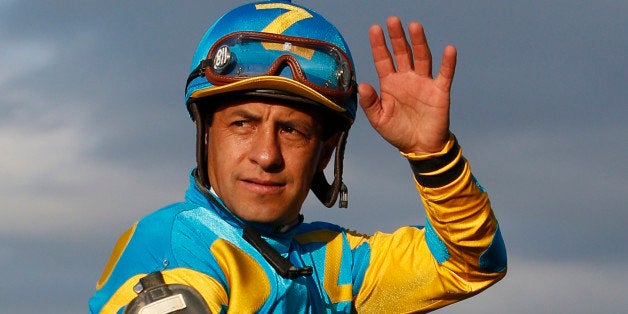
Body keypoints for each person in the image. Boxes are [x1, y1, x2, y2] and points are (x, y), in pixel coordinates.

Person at [89, 0, 507, 313]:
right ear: (206, 134)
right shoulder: (175, 247)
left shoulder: (331, 261)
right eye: (243, 124)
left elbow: (469, 263)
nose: (267, 154)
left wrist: (433, 156)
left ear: (325, 154)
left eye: (292, 131)